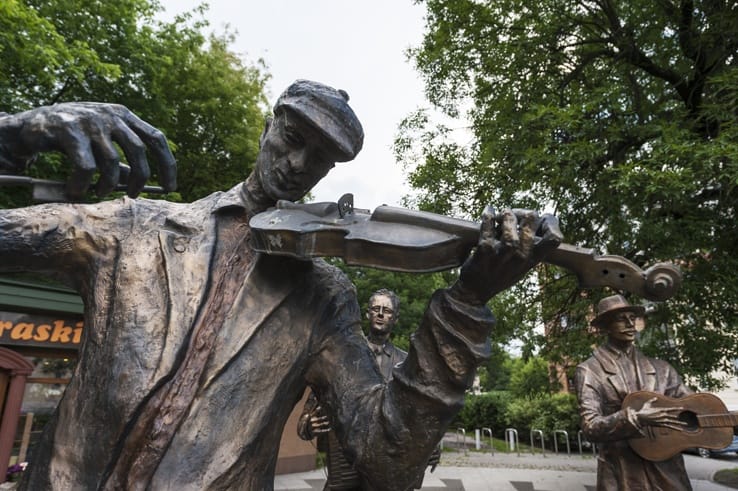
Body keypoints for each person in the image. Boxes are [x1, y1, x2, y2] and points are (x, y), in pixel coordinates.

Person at [0, 80, 563, 490]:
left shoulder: (324, 295)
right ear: (270, 122)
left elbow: (388, 458)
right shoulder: (132, 228)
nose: (297, 164)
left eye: (318, 161)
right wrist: (14, 135)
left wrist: (465, 304)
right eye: (292, 137)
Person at [297, 289, 440, 490]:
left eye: (387, 311)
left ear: (395, 318)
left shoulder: (406, 364)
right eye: (376, 308)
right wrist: (307, 424)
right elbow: (311, 409)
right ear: (367, 314)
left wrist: (431, 443)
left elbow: (421, 414)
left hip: (387, 467)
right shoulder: (343, 357)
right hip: (345, 468)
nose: (381, 314)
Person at [575, 294, 693, 491]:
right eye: (621, 319)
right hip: (622, 471)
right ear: (605, 326)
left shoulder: (662, 369)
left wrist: (727, 420)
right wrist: (635, 419)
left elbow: (694, 405)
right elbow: (590, 426)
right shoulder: (589, 371)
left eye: (633, 318)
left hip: (668, 471)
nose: (630, 324)